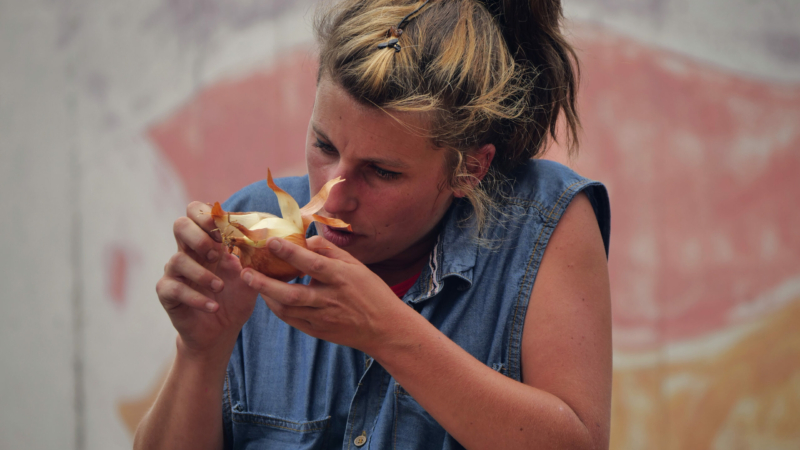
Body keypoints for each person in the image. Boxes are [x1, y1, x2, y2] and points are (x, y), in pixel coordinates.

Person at [134, 0, 612, 448]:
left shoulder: (542, 221)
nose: (332, 196)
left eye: (382, 172)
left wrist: (385, 331)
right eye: (324, 146)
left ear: (469, 170)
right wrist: (200, 351)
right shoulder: (256, 222)